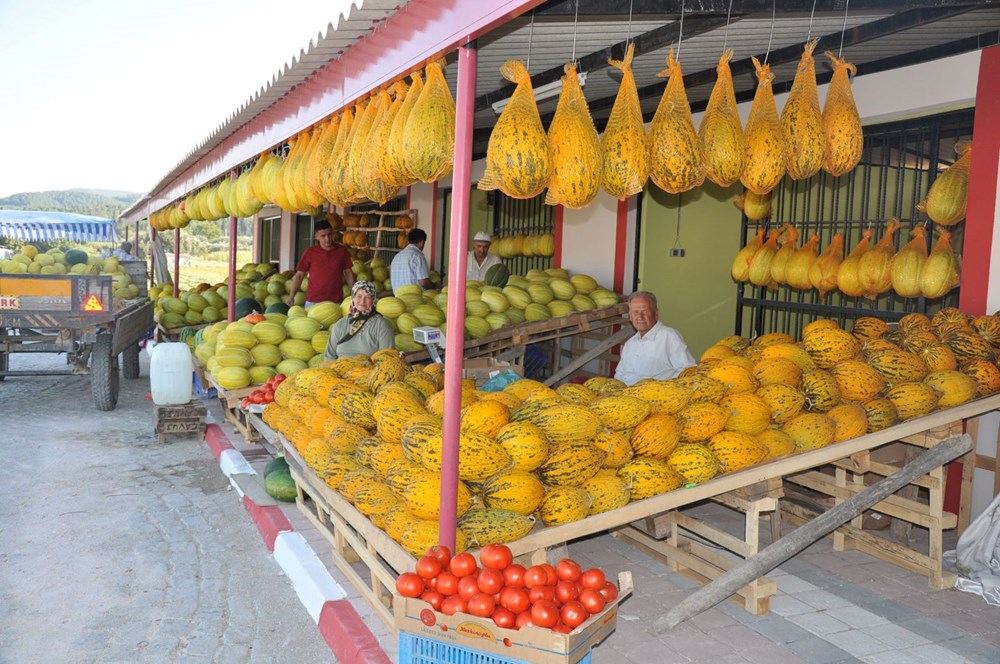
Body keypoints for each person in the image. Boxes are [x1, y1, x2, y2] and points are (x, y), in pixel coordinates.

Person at [614, 291, 696, 386]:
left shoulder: (669, 336)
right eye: (635, 312)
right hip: (624, 397)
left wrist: (664, 389)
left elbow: (688, 370)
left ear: (656, 314)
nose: (640, 317)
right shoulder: (630, 344)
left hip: (654, 397)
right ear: (630, 317)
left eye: (645, 311)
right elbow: (619, 375)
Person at [286, 221, 355, 308]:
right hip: (312, 301)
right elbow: (299, 275)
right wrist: (291, 296)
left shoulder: (342, 251)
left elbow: (348, 273)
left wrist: (354, 294)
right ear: (316, 236)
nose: (327, 238)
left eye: (329, 234)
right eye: (323, 236)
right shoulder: (309, 252)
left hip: (335, 302)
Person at [324, 281, 394, 360]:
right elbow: (329, 357)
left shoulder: (380, 325)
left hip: (369, 371)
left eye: (367, 297)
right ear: (353, 298)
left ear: (373, 299)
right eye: (359, 296)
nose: (362, 301)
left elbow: (387, 359)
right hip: (340, 370)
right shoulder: (341, 324)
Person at [390, 228, 432, 292]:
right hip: (415, 299)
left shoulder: (396, 257)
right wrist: (435, 285)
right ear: (422, 242)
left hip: (398, 300)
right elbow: (424, 282)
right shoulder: (417, 255)